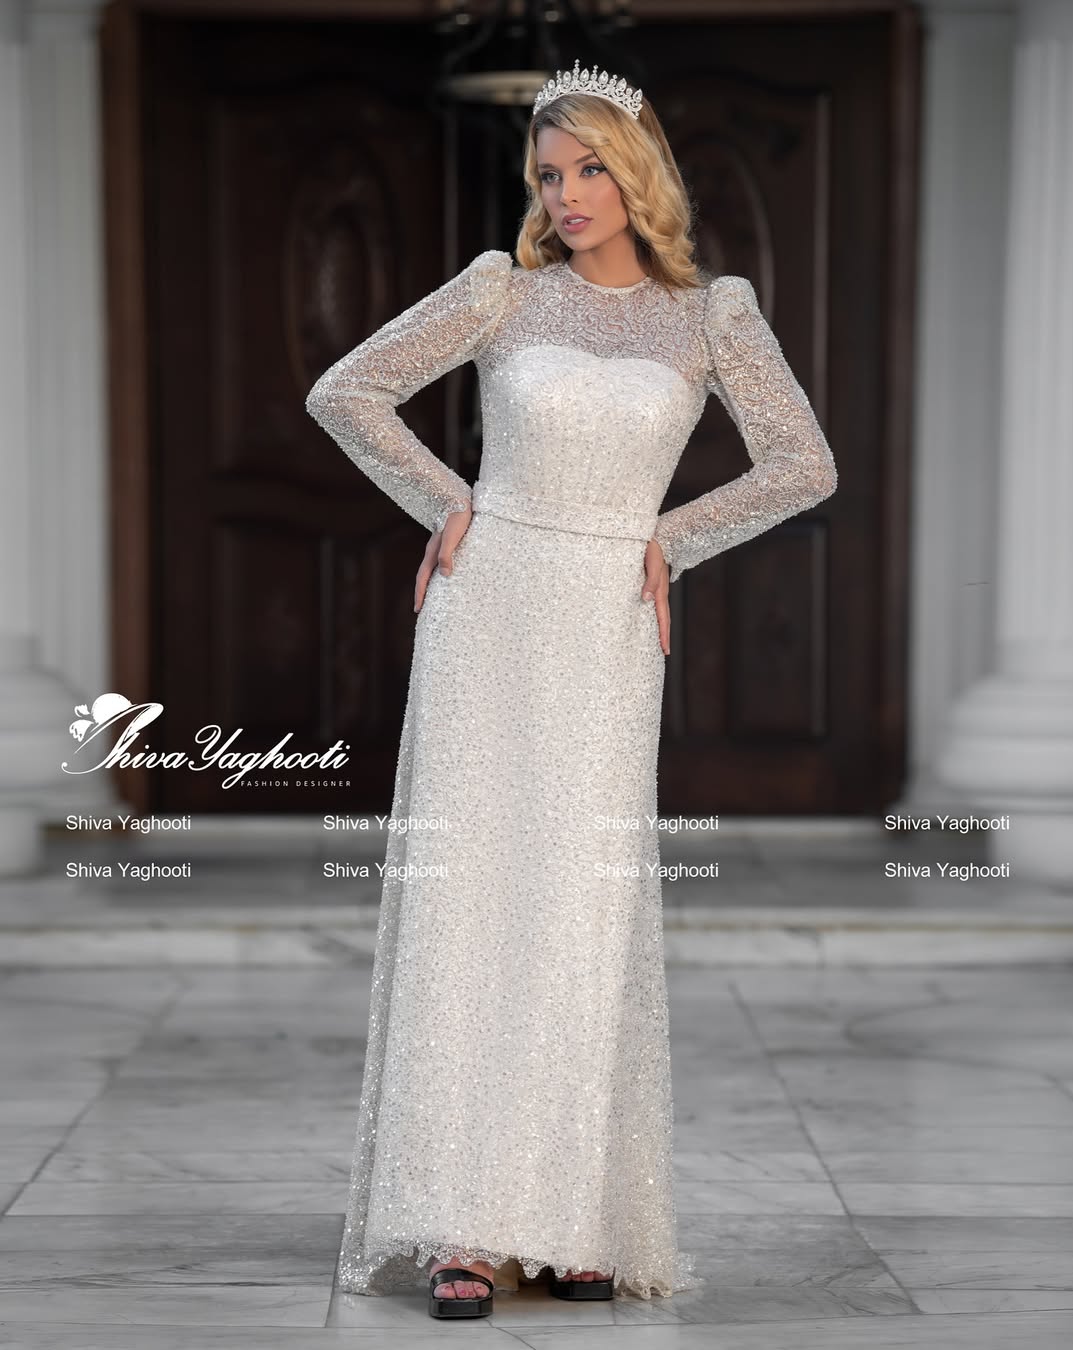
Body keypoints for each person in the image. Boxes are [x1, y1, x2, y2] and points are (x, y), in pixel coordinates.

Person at [305, 57, 837, 1322]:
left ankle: (571, 1217)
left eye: (593, 167)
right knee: (473, 904)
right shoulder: (503, 291)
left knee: (581, 906)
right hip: (489, 610)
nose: (569, 193)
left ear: (640, 173)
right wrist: (447, 502)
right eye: (550, 173)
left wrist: (670, 541)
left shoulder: (712, 317)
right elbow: (345, 390)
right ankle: (466, 1225)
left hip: (605, 621)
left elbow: (803, 463)